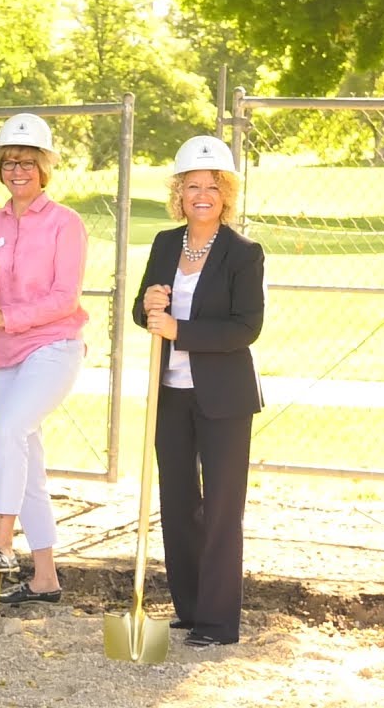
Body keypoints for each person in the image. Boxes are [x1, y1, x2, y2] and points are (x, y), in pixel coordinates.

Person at [132, 135, 264, 647]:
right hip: (171, 394)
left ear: (225, 193)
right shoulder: (166, 244)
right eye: (192, 186)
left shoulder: (243, 252)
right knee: (179, 501)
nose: (202, 194)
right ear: (179, 193)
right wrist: (147, 305)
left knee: (222, 507)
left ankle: (217, 622)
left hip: (225, 399)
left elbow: (245, 327)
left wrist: (180, 331)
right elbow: (142, 314)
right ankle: (189, 610)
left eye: (212, 186)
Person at [0, 113, 88, 604]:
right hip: (4, 355)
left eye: (28, 162)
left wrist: (7, 317)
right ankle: (45, 578)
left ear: (45, 168)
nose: (18, 171)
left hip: (54, 346)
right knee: (27, 461)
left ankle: (0, 543)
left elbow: (64, 297)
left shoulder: (65, 223)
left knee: (11, 430)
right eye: (10, 162)